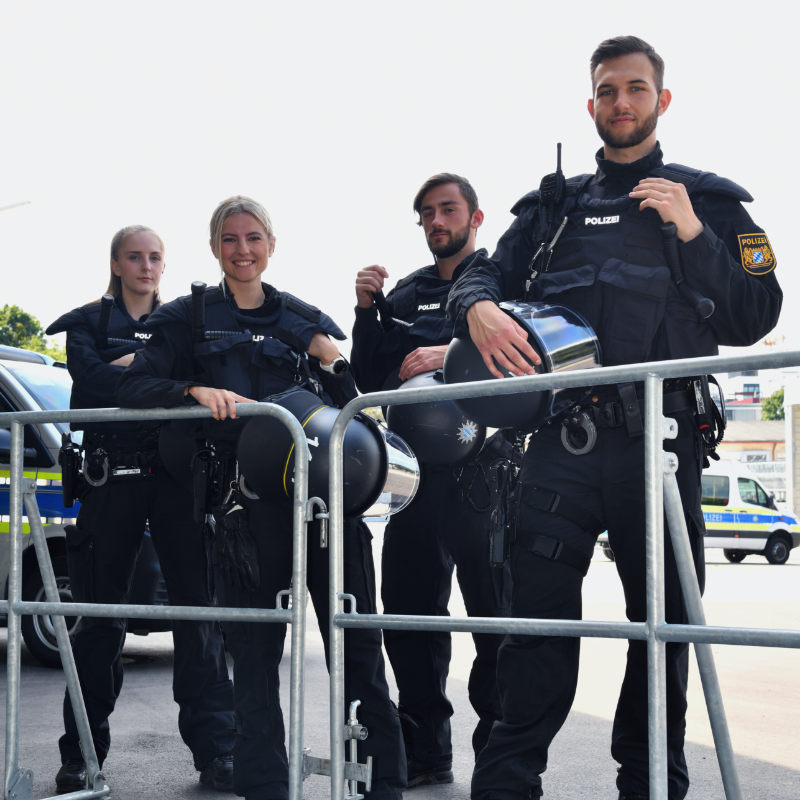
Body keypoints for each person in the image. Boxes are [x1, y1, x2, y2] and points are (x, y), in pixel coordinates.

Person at [445, 36, 782, 800]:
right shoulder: (553, 210)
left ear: (661, 101)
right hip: (560, 445)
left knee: (660, 634)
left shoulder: (715, 204)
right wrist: (480, 310)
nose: (620, 103)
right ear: (590, 104)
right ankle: (504, 785)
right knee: (534, 627)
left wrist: (694, 235)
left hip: (659, 447)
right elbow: (484, 273)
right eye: (606, 91)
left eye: (634, 89)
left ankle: (652, 785)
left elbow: (759, 312)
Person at [116, 196, 407, 800]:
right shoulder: (185, 318)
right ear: (215, 247)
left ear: (271, 245)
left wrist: (334, 359)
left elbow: (352, 397)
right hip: (243, 512)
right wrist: (191, 388)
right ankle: (266, 788)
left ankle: (382, 786)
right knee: (251, 662)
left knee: (357, 647)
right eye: (229, 239)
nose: (242, 250)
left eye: (253, 238)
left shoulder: (301, 316)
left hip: (325, 507)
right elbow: (133, 383)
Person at [46, 226, 236, 794]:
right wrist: (153, 376)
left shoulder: (185, 320)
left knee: (199, 621)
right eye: (135, 257)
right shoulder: (86, 323)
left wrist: (139, 373)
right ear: (116, 263)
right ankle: (81, 753)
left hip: (180, 480)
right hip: (111, 480)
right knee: (100, 621)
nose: (146, 266)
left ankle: (218, 754)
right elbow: (96, 380)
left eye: (155, 257)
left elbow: (200, 379)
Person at [351, 173, 509, 787]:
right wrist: (366, 311)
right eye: (427, 214)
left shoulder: (502, 282)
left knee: (496, 622)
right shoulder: (409, 292)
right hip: (412, 481)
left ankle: (499, 758)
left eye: (448, 210)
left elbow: (530, 353)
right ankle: (426, 751)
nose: (437, 221)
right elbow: (368, 377)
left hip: (486, 476)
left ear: (475, 217)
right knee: (411, 618)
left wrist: (454, 354)